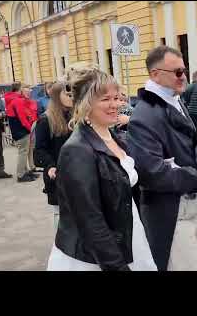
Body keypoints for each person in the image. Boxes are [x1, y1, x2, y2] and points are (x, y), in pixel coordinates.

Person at [128, 45, 197, 271]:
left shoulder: (173, 100)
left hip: (184, 207)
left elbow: (196, 140)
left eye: (184, 70)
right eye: (177, 72)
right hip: (167, 212)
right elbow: (151, 172)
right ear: (155, 74)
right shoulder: (146, 113)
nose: (184, 76)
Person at [47, 67, 156, 271]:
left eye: (117, 98)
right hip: (92, 257)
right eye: (105, 99)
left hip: (128, 238)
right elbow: (90, 220)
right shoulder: (77, 150)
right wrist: (116, 266)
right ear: (86, 104)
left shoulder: (114, 138)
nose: (115, 105)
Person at [34, 82, 73, 229]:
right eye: (67, 94)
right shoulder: (45, 120)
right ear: (57, 97)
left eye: (72, 94)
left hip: (76, 172)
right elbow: (39, 151)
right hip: (57, 175)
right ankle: (61, 247)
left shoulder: (75, 116)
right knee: (60, 212)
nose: (71, 97)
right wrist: (50, 166)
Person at [9, 84, 39, 182]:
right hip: (21, 131)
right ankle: (21, 175)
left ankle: (25, 172)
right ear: (21, 91)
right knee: (23, 152)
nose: (29, 92)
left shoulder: (18, 100)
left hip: (22, 130)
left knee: (25, 151)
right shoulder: (18, 101)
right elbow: (22, 119)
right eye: (27, 90)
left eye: (30, 90)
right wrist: (30, 129)